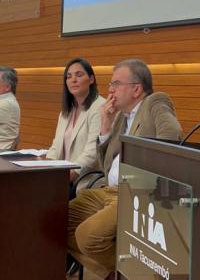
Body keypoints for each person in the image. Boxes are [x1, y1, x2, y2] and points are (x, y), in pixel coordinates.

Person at [67, 59, 182, 280]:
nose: (110, 90)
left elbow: (172, 135)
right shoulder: (120, 116)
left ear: (137, 89)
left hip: (135, 191)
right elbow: (104, 165)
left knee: (87, 236)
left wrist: (144, 175)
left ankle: (134, 273)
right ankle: (118, 273)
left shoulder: (155, 103)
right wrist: (105, 124)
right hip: (108, 190)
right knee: (58, 221)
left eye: (116, 84)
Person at [46, 58, 106, 188]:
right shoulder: (66, 111)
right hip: (62, 176)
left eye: (79, 75)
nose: (73, 80)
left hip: (84, 177)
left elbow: (92, 153)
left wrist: (69, 174)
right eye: (69, 76)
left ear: (91, 79)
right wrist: (46, 167)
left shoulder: (100, 107)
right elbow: (55, 147)